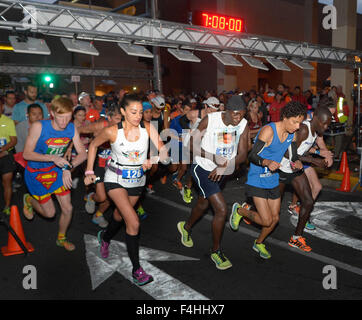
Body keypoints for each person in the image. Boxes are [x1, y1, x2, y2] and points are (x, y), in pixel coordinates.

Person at [84, 94, 168, 286]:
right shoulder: (113, 131)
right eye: (133, 112)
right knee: (133, 222)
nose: (139, 116)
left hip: (137, 181)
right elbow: (94, 145)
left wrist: (152, 160)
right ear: (123, 112)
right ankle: (137, 270)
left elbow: (163, 152)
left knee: (119, 216)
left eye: (140, 112)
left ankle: (105, 238)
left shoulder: (147, 128)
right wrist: (89, 170)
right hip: (114, 179)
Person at [177, 95, 249, 270]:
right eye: (235, 115)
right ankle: (215, 251)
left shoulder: (242, 124)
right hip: (202, 168)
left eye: (241, 114)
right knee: (221, 209)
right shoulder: (210, 120)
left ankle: (186, 227)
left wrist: (225, 166)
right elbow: (192, 146)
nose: (238, 118)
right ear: (226, 111)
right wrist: (214, 158)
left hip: (222, 171)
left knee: (203, 203)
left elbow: (243, 154)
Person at [230, 101, 306, 259]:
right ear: (284, 118)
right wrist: (267, 162)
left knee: (275, 219)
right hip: (257, 178)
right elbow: (251, 156)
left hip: (273, 178)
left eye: (300, 122)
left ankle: (258, 243)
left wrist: (297, 162)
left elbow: (293, 155)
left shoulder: (292, 133)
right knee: (266, 220)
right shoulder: (268, 131)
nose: (298, 126)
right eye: (294, 122)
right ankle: (240, 210)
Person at [22, 97, 87, 251]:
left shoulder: (71, 128)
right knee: (50, 213)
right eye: (60, 117)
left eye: (68, 117)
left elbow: (83, 154)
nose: (65, 122)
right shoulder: (39, 126)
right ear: (52, 113)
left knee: (68, 209)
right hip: (36, 174)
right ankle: (29, 200)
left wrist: (67, 168)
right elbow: (26, 154)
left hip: (56, 171)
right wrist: (52, 157)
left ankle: (61, 238)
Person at [278, 107, 332, 252]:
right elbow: (286, 152)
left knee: (307, 201)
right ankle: (244, 209)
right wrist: (314, 161)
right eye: (324, 124)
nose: (326, 127)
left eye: (328, 124)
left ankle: (296, 238)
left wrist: (318, 155)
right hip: (281, 168)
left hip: (295, 168)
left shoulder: (314, 132)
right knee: (272, 213)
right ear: (315, 119)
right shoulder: (303, 129)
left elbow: (303, 149)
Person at [80, 103, 123, 228]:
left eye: (122, 119)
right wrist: (72, 148)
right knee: (101, 196)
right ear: (109, 118)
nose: (120, 122)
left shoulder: (123, 129)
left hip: (114, 165)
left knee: (111, 197)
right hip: (99, 163)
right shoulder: (100, 126)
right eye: (117, 119)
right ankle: (91, 197)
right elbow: (77, 131)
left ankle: (98, 215)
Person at [0, 99, 17, 215]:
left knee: (7, 182)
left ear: (2, 107)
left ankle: (7, 206)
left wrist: (2, 150)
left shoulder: (8, 121)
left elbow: (13, 141)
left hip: (5, 155)